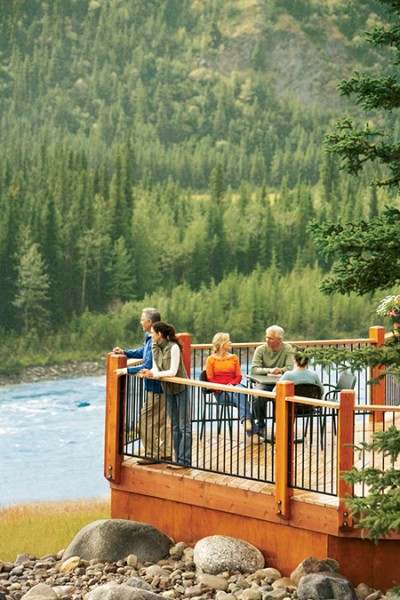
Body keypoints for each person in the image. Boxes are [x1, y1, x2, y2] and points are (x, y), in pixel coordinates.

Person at [113, 308, 171, 465]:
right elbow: (142, 352)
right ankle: (165, 453)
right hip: (160, 387)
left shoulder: (155, 340)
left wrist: (125, 370)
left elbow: (147, 365)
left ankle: (153, 454)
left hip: (156, 387)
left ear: (149, 322)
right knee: (160, 420)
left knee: (145, 419)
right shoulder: (150, 337)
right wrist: (125, 352)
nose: (140, 321)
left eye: (142, 319)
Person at [140, 322, 191, 469]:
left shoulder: (173, 347)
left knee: (184, 426)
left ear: (159, 334)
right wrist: (150, 373)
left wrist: (153, 374)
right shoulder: (154, 346)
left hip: (181, 388)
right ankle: (177, 459)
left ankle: (184, 461)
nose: (150, 335)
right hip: (167, 390)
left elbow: (172, 371)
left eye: (152, 333)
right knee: (174, 425)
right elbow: (156, 368)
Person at [206, 332, 258, 443]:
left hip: (234, 388)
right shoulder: (211, 360)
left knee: (239, 391)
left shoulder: (233, 358)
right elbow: (210, 379)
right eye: (228, 341)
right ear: (221, 343)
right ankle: (250, 427)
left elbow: (239, 376)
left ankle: (247, 422)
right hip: (220, 393)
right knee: (242, 398)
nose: (231, 342)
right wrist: (224, 387)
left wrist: (231, 385)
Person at [251, 325, 294, 435]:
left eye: (270, 338)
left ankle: (281, 426)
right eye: (266, 337)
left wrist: (279, 370)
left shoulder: (287, 348)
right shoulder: (260, 349)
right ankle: (260, 425)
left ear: (279, 340)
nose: (267, 340)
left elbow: (290, 368)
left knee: (283, 398)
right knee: (257, 395)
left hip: (281, 384)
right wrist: (269, 370)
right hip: (264, 383)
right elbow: (254, 369)